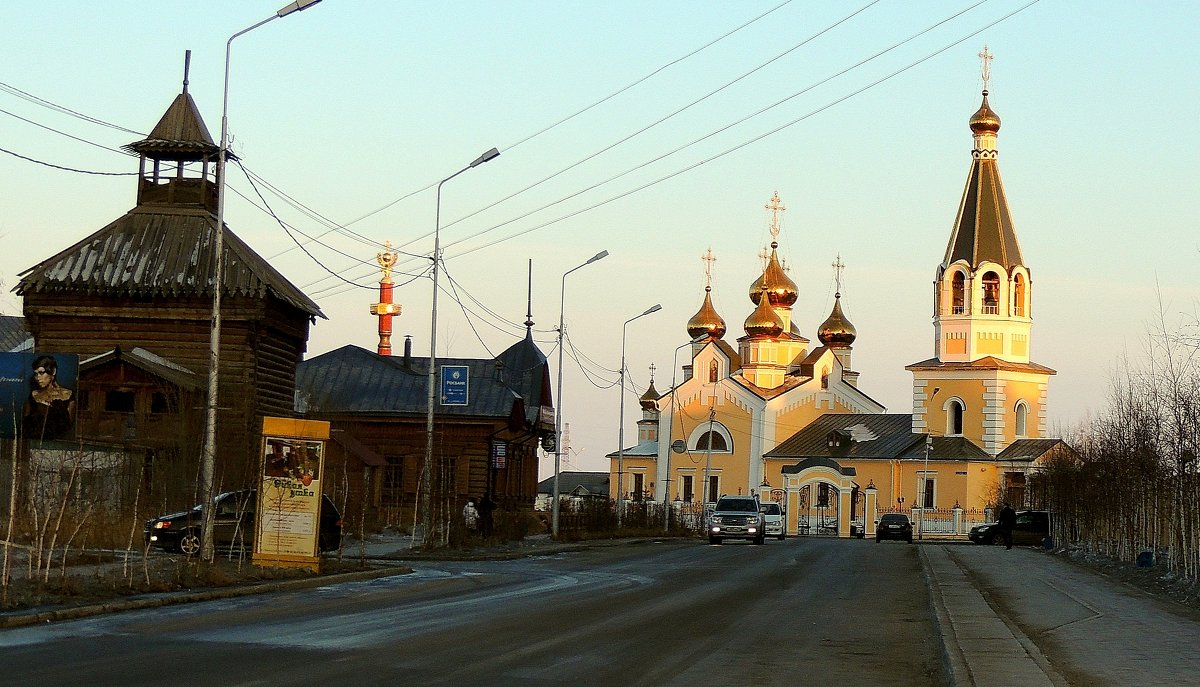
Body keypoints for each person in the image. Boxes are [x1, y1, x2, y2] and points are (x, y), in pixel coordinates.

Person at [22, 355, 75, 441]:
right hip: (35, 442)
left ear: (53, 371)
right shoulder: (34, 395)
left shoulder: (68, 395)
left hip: (59, 445)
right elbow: (25, 425)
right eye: (36, 374)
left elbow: (69, 427)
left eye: (41, 373)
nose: (38, 378)